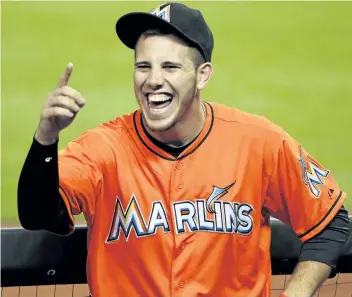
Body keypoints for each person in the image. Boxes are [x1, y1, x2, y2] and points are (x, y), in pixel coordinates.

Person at [17, 2, 350, 297]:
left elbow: (332, 222)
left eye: (170, 67)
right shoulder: (103, 148)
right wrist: (46, 137)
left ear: (202, 75)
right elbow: (38, 215)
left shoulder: (258, 141)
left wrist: (298, 291)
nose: (153, 80)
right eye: (143, 66)